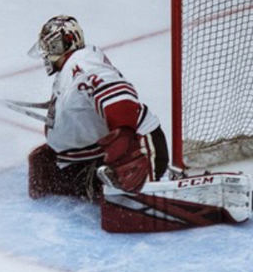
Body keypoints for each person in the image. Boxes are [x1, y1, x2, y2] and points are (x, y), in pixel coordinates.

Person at [26, 15, 169, 200]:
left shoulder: (83, 64)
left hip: (138, 147)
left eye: (50, 47)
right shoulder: (70, 69)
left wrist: (124, 143)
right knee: (42, 167)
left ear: (66, 43)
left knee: (121, 202)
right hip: (92, 153)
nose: (46, 54)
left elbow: (117, 94)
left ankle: (142, 187)